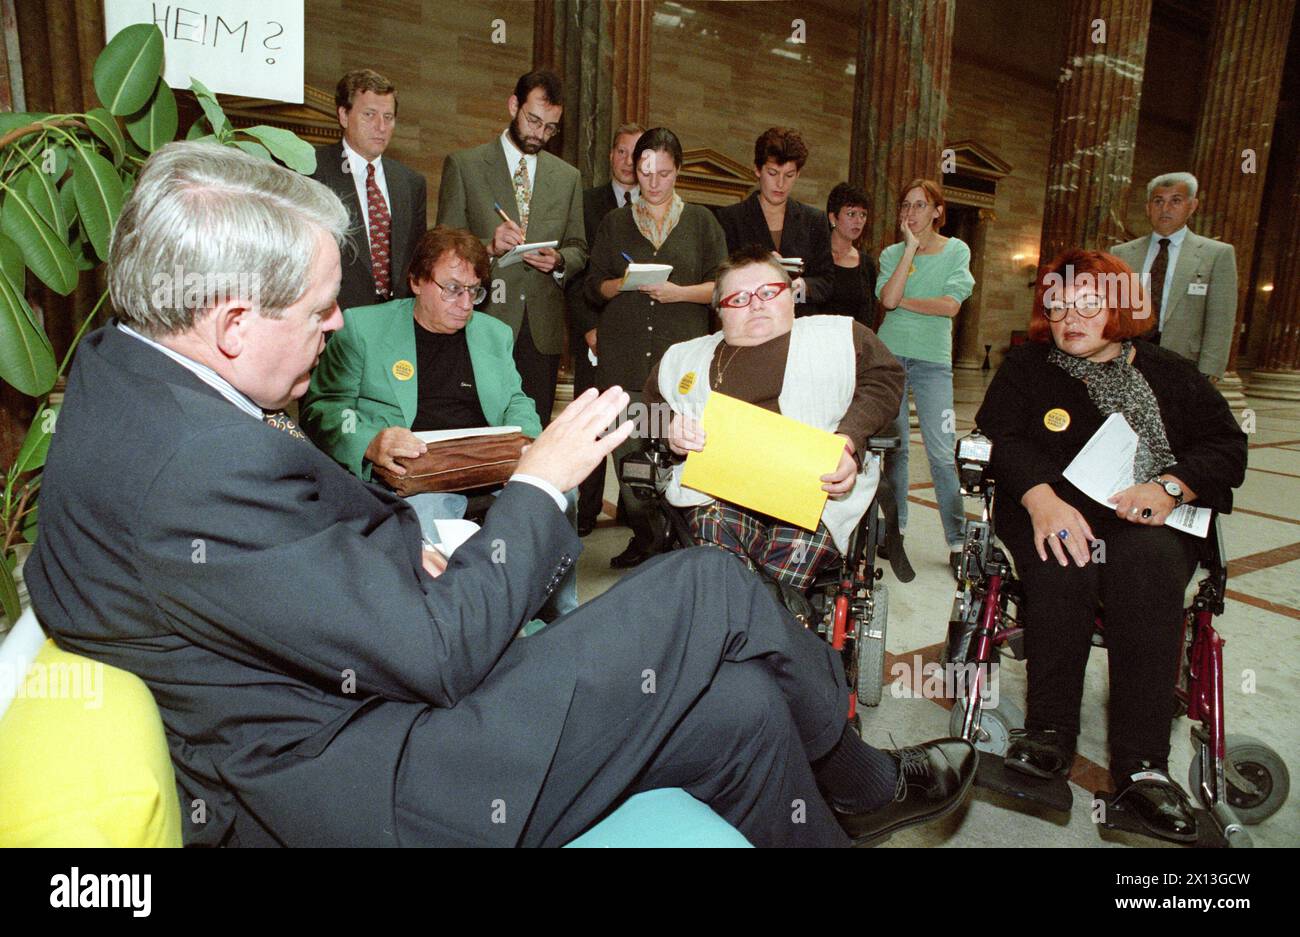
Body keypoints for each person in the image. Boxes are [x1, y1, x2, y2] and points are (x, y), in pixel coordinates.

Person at [24, 141, 976, 848]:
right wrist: (536, 482)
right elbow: (433, 651)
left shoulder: (124, 377)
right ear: (230, 322)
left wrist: (405, 550)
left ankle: (844, 803)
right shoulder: (192, 466)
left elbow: (277, 571)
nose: (333, 332)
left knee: (742, 712)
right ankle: (866, 779)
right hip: (384, 784)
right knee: (715, 588)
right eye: (319, 313)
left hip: (362, 697)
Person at [975, 249, 1247, 842]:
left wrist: (1170, 486)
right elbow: (1001, 438)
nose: (1070, 317)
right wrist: (1040, 497)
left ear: (1121, 309)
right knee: (1061, 560)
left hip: (1149, 516)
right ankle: (1047, 734)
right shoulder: (1028, 367)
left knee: (1147, 572)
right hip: (1055, 508)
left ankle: (1143, 770)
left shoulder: (1172, 372)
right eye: (1061, 304)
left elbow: (1227, 448)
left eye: (1089, 305)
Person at [298, 225, 579, 617]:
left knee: (560, 492)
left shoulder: (494, 333)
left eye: (474, 291)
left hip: (488, 465)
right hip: (417, 475)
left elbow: (516, 400)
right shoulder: (362, 329)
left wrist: (527, 439)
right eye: (452, 288)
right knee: (427, 518)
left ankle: (558, 615)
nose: (465, 303)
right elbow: (323, 408)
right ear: (416, 281)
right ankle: (447, 627)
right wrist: (371, 442)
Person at [646, 246, 903, 590]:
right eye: (738, 298)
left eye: (768, 292)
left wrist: (849, 439)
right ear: (719, 311)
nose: (756, 304)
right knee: (714, 556)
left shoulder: (840, 336)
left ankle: (755, 625)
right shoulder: (684, 357)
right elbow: (642, 409)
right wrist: (669, 428)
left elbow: (886, 378)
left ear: (791, 295)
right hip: (718, 495)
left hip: (813, 496)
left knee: (788, 561)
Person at [585, 127, 728, 569]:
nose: (654, 182)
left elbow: (723, 288)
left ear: (678, 172)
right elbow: (593, 286)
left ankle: (678, 533)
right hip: (624, 355)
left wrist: (677, 293)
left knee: (671, 447)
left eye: (664, 173)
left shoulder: (702, 222)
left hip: (679, 360)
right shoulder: (615, 222)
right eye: (646, 171)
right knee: (629, 454)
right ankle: (648, 535)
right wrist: (622, 285)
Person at [436, 69, 587, 428]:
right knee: (474, 429)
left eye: (550, 128)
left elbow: (580, 247)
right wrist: (486, 247)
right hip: (480, 318)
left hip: (541, 333)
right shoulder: (465, 166)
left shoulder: (569, 178)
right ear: (513, 105)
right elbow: (441, 247)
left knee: (530, 436)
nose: (539, 134)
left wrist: (560, 260)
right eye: (533, 120)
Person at [876, 179, 975, 576]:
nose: (911, 213)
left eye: (920, 205)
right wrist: (910, 252)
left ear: (937, 210)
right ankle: (895, 531)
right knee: (896, 450)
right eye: (906, 205)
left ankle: (956, 540)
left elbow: (950, 306)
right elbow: (886, 300)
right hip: (890, 356)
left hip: (933, 361)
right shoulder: (891, 253)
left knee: (940, 452)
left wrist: (906, 302)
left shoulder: (957, 250)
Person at [566, 123, 645, 536]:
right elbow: (576, 276)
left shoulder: (653, 208)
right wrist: (588, 328)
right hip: (594, 333)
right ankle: (584, 512)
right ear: (611, 155)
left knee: (634, 424)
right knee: (591, 423)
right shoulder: (583, 202)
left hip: (637, 338)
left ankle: (636, 515)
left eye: (637, 153)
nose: (629, 161)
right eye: (621, 151)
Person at [310, 68, 427, 313]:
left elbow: (417, 259)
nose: (381, 127)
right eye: (369, 115)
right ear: (343, 115)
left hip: (395, 321)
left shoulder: (411, 183)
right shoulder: (312, 170)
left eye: (388, 117)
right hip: (334, 319)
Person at [1109, 172, 1238, 380]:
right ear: (1148, 208)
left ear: (1192, 206)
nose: (1165, 209)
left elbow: (1220, 319)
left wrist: (1210, 369)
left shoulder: (1216, 254)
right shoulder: (1121, 253)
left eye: (1175, 201)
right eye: (1158, 201)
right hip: (1128, 357)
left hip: (1184, 360)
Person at [715, 128, 834, 312]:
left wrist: (799, 287)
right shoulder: (729, 219)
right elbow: (721, 280)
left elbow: (826, 282)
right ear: (757, 169)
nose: (780, 184)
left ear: (798, 174)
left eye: (789, 175)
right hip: (750, 321)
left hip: (799, 326)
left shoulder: (814, 220)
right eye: (772, 173)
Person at [823, 182, 877, 325]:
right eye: (851, 214)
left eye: (863, 215)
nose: (858, 221)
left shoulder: (867, 264)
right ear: (833, 217)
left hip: (852, 342)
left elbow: (869, 316)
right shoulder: (815, 256)